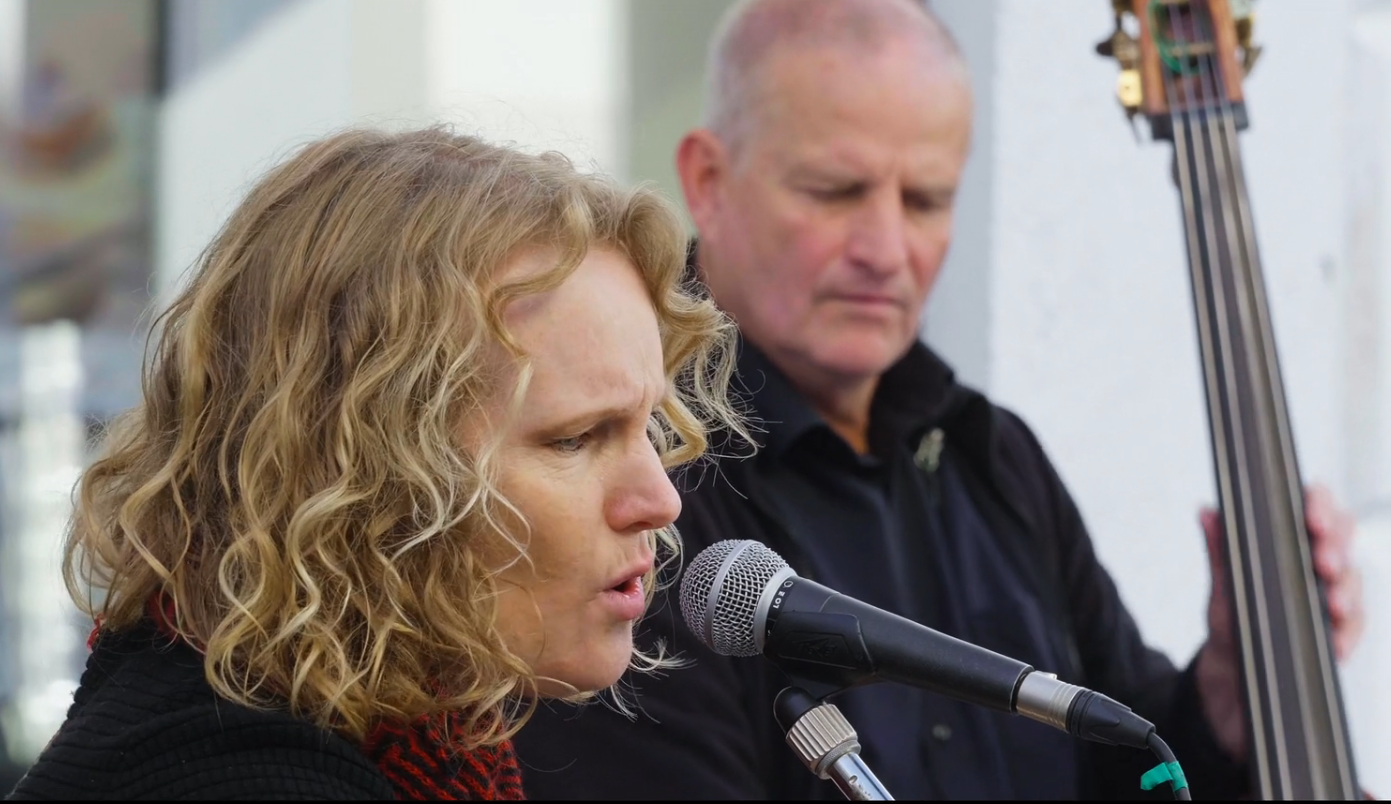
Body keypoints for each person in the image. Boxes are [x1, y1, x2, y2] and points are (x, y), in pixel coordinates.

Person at [512, 0, 1366, 799]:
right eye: (835, 191)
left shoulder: (995, 456)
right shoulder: (639, 483)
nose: (886, 248)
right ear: (707, 179)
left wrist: (1224, 697)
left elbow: (1129, 766)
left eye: (925, 200)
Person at [5, 126, 746, 800]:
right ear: (365, 469)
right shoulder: (231, 772)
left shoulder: (410, 740)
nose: (660, 499)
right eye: (575, 439)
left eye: (649, 427)